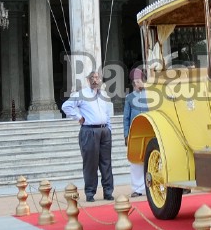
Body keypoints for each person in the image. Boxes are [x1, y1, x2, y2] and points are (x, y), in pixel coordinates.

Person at [61, 70, 114, 202]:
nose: (95, 80)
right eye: (92, 78)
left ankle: (108, 191)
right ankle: (90, 192)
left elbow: (106, 114)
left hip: (104, 131)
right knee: (90, 163)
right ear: (88, 80)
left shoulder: (102, 96)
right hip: (89, 131)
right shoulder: (81, 94)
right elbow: (66, 106)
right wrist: (79, 117)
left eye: (97, 77)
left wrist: (109, 129)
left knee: (106, 163)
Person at [122, 67, 149, 198]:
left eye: (139, 81)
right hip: (135, 133)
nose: (137, 83)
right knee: (135, 161)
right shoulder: (129, 98)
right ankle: (138, 189)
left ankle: (153, 186)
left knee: (152, 159)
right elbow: (126, 117)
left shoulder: (151, 95)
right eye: (135, 81)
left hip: (150, 131)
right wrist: (126, 134)